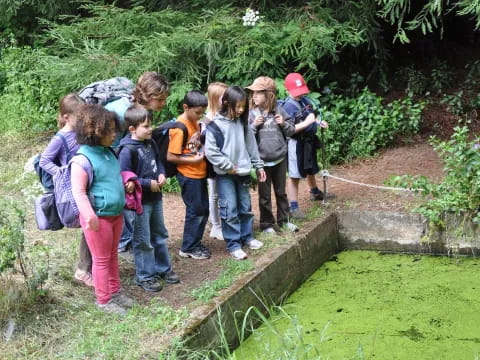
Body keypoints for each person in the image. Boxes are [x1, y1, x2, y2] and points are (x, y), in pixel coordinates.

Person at [71, 104, 133, 315]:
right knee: (101, 260)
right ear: (96, 131)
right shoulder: (82, 159)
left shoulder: (109, 153)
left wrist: (127, 182)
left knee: (113, 255)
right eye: (111, 130)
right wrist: (89, 215)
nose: (115, 134)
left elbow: (113, 177)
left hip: (116, 214)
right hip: (99, 219)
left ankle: (115, 292)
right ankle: (104, 300)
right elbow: (78, 192)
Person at [105, 71, 169, 254]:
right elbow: (111, 143)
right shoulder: (121, 112)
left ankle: (128, 241)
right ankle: (125, 243)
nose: (163, 104)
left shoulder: (142, 111)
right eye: (161, 100)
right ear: (149, 96)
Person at [118, 104, 179, 292]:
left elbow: (158, 163)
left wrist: (161, 175)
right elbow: (125, 177)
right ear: (132, 129)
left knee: (160, 234)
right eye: (145, 126)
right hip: (139, 204)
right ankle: (144, 276)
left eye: (150, 124)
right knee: (143, 239)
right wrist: (146, 184)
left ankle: (163, 268)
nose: (150, 128)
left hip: (156, 198)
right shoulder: (127, 150)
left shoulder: (150, 143)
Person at [205, 86, 267, 260]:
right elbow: (211, 151)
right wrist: (227, 165)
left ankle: (247, 237)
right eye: (237, 106)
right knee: (229, 208)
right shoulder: (215, 125)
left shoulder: (242, 122)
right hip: (225, 175)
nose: (240, 110)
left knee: (245, 206)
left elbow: (251, 146)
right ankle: (233, 244)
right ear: (226, 102)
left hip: (244, 172)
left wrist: (258, 166)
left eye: (243, 107)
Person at [39, 93, 94, 287]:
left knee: (93, 226)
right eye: (79, 117)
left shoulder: (80, 132)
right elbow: (44, 160)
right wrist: (61, 173)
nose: (82, 120)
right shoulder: (60, 138)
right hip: (74, 189)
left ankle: (91, 267)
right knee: (89, 226)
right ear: (65, 117)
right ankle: (83, 269)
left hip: (89, 184)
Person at [246, 76, 298, 234]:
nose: (253, 96)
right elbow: (247, 137)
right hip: (262, 162)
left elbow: (291, 130)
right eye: (252, 93)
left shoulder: (280, 110)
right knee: (265, 195)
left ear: (269, 94)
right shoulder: (251, 114)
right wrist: (254, 126)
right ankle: (267, 224)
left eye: (258, 93)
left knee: (281, 192)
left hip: (280, 159)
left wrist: (283, 123)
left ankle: (284, 220)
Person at [167, 90, 211, 260]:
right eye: (197, 112)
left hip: (199, 174)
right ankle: (188, 247)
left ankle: (196, 243)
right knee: (195, 211)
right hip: (188, 175)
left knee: (204, 210)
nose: (200, 116)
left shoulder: (195, 122)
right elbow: (171, 156)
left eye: (202, 113)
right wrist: (194, 161)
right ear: (186, 107)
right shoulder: (180, 127)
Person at [282, 73, 329, 219]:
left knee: (310, 167)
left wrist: (317, 122)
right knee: (295, 175)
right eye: (296, 93)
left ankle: (314, 192)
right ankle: (293, 206)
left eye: (301, 92)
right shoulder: (288, 107)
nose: (299, 95)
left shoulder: (305, 100)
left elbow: (310, 116)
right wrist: (308, 122)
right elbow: (290, 129)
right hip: (296, 144)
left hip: (308, 141)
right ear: (287, 90)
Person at [204, 82, 228, 241]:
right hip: (211, 163)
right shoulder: (207, 119)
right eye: (223, 97)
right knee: (214, 194)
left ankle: (225, 222)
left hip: (225, 160)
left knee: (224, 193)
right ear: (214, 99)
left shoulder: (225, 115)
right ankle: (216, 226)